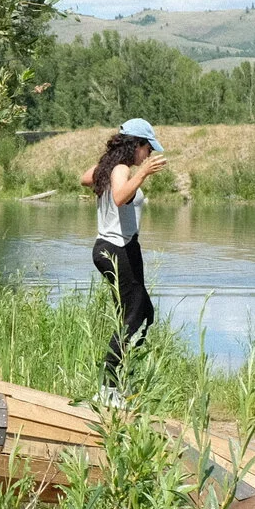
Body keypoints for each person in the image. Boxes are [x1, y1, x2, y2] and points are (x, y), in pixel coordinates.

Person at [79, 118, 166, 389]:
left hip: (120, 248)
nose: (149, 153)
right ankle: (109, 386)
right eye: (147, 147)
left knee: (143, 313)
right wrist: (141, 175)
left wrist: (109, 168)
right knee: (134, 315)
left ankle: (122, 375)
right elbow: (119, 198)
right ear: (135, 145)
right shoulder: (121, 169)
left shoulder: (110, 168)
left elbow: (84, 178)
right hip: (117, 248)